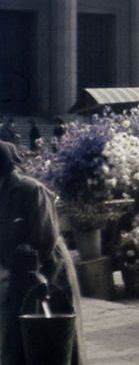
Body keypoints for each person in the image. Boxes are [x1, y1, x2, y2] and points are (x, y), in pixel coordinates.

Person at [1, 140, 88, 365]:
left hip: (49, 272)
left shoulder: (31, 190)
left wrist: (21, 268)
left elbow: (44, 238)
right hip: (15, 275)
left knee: (56, 338)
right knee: (17, 338)